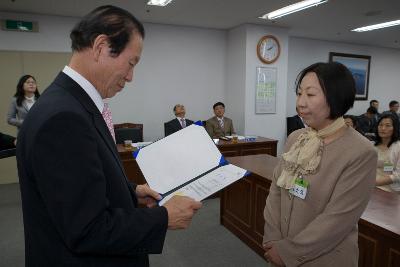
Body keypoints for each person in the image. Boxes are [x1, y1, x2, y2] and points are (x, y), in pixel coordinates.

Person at [16, 6, 202, 267]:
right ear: (101, 46)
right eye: (131, 63)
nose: (130, 76)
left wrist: (131, 191)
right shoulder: (63, 118)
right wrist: (164, 217)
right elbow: (87, 230)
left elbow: (83, 181)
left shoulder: (72, 104)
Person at [263, 62, 377, 267]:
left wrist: (287, 252)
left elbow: (338, 220)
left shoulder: (361, 152)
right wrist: (273, 240)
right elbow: (276, 191)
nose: (300, 103)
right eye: (299, 94)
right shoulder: (296, 138)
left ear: (336, 97)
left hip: (325, 258)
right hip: (280, 249)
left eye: (311, 95)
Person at [374, 113, 400, 193]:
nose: (383, 128)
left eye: (388, 125)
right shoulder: (372, 145)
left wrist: (374, 183)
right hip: (370, 186)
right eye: (380, 125)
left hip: (390, 189)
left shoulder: (398, 147)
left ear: (394, 128)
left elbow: (398, 175)